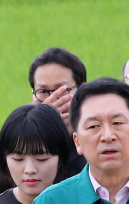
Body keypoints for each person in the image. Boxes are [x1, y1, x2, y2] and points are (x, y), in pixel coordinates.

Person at [29, 47, 87, 178]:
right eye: (43, 91)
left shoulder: (96, 140)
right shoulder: (21, 141)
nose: (54, 99)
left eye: (62, 89)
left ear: (82, 90)